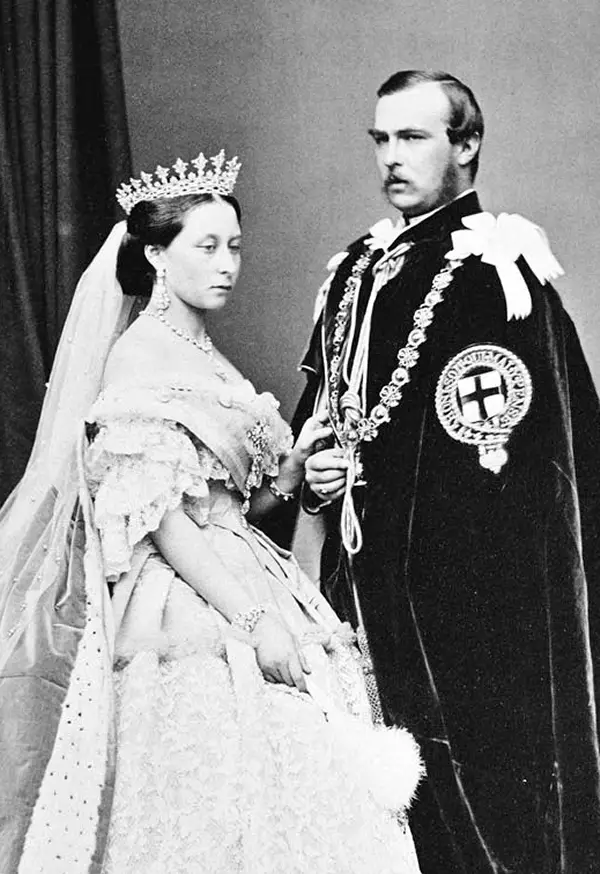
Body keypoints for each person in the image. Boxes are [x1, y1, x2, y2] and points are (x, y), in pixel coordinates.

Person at [0, 151, 424, 873]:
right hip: (189, 600)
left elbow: (235, 502)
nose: (227, 263)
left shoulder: (204, 351)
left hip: (249, 572)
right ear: (157, 257)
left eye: (234, 246)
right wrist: (254, 623)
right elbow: (164, 520)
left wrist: (289, 473)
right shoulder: (139, 359)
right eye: (206, 246)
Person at [282, 70, 600, 873]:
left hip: (467, 599)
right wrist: (319, 465)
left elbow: (515, 458)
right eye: (381, 139)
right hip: (355, 578)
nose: (391, 158)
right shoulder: (356, 268)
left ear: (467, 145)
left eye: (414, 137)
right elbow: (324, 410)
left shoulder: (499, 271)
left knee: (478, 801)